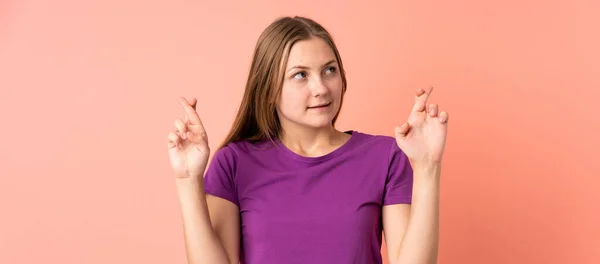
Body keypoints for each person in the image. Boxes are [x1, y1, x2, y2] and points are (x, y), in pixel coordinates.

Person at [167, 16, 449, 264]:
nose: (321, 88)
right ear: (268, 89)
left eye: (330, 70)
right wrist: (188, 181)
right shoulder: (234, 163)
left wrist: (428, 166)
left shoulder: (385, 156)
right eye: (300, 75)